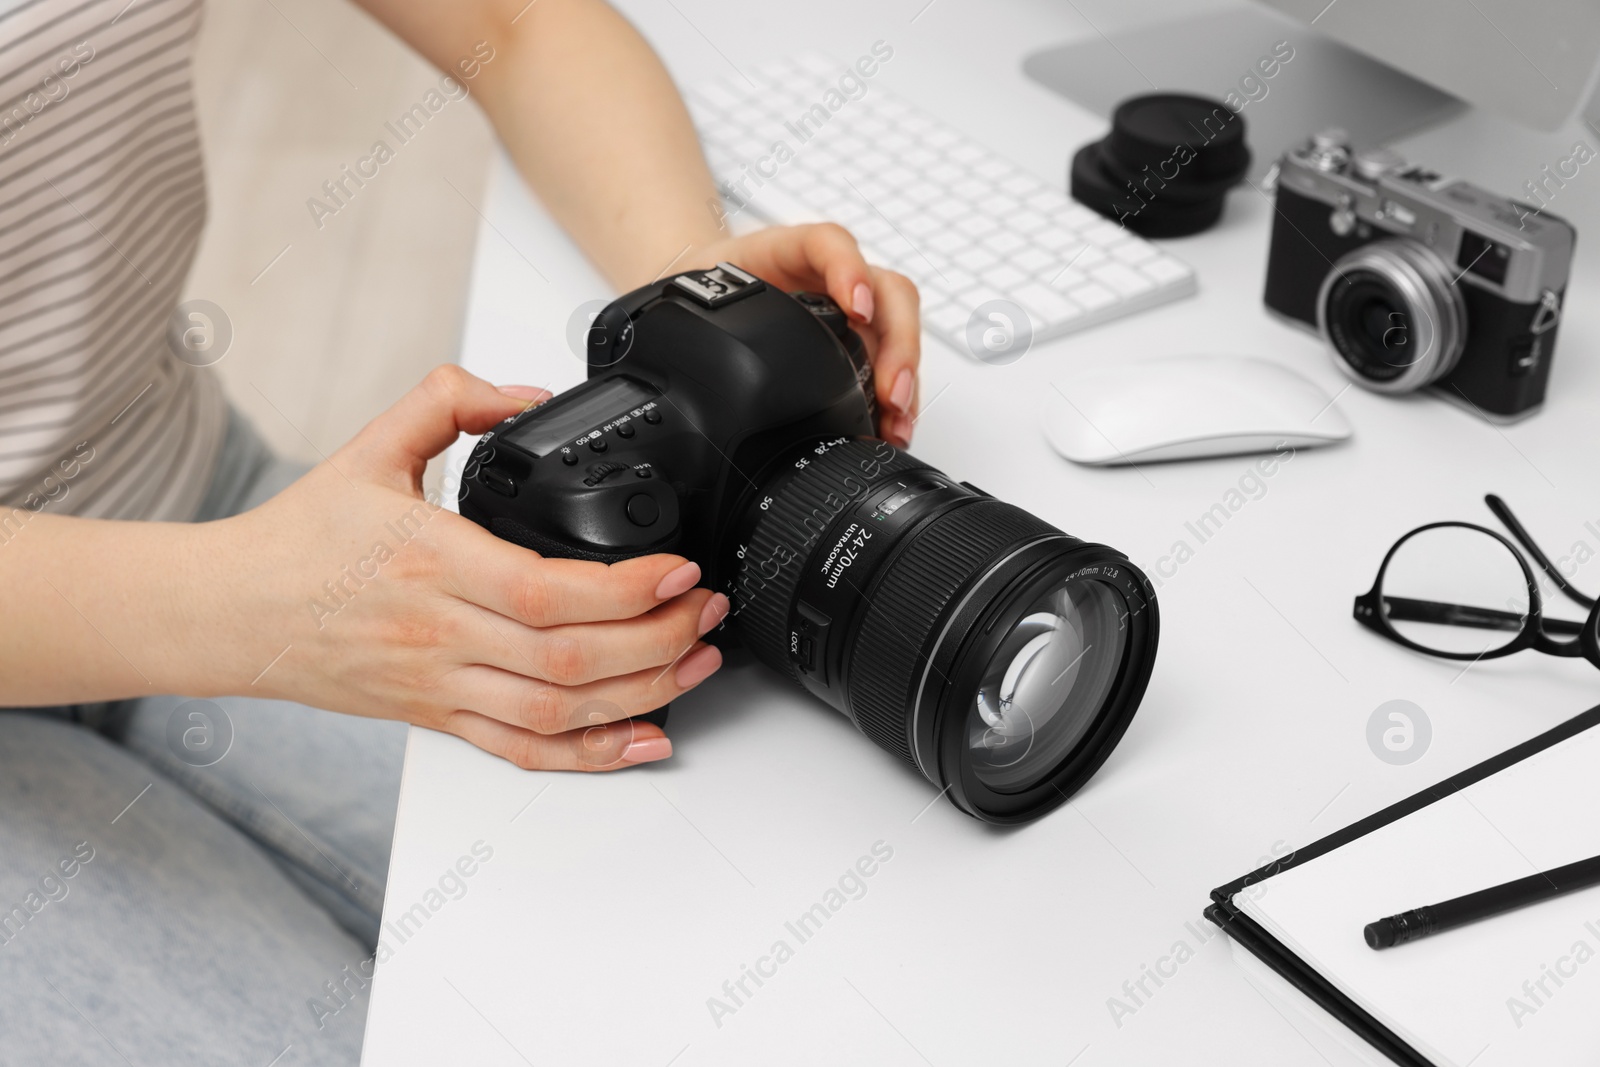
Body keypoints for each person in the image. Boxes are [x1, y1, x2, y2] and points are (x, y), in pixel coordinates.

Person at [0, 0, 921, 1062]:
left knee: (673, 954)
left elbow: (515, 23)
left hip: (193, 492)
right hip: (225, 581)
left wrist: (697, 298)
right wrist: (253, 606)